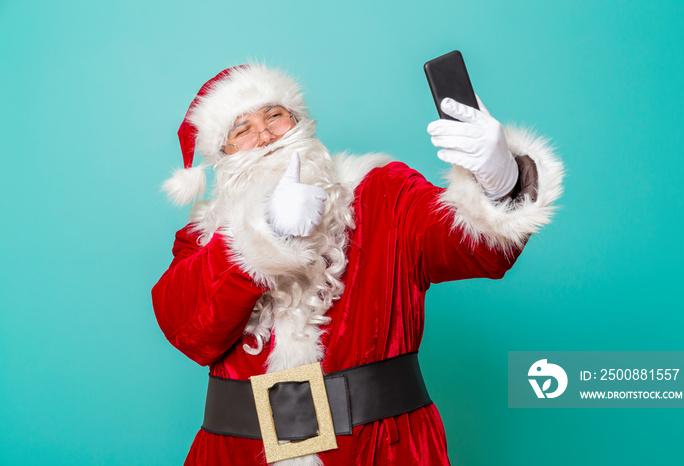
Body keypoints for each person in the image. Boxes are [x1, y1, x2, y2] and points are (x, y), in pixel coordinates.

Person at [152, 64, 563, 466]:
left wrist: (501, 180)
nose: (263, 135)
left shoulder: (381, 190)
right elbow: (186, 328)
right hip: (238, 455)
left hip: (381, 449)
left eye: (275, 116)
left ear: (301, 122)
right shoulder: (205, 240)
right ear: (221, 158)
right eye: (241, 130)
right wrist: (261, 236)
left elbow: (477, 247)